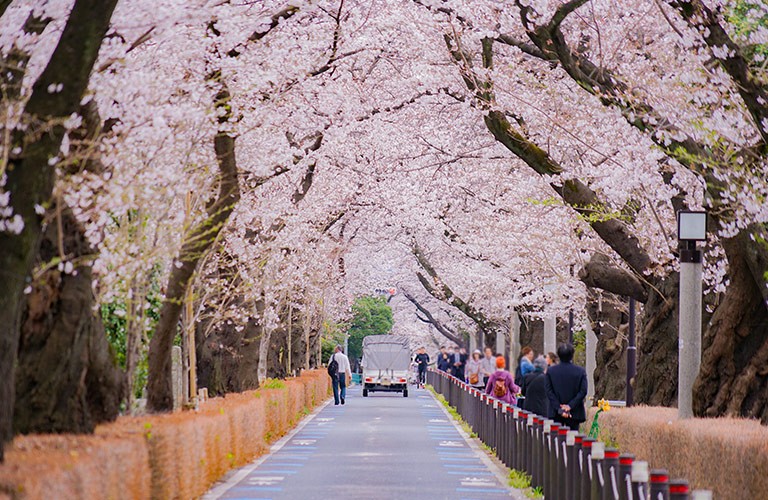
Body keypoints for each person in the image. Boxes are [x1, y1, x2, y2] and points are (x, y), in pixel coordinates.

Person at [545, 343, 588, 431]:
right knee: (574, 440)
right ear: (572, 355)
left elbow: (549, 391)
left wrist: (559, 408)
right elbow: (583, 391)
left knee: (556, 437)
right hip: (575, 411)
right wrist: (570, 406)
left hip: (555, 412)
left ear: (558, 355)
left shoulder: (551, 371)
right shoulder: (580, 371)